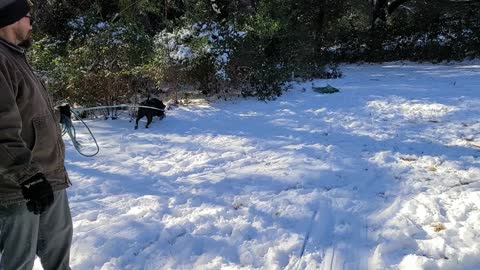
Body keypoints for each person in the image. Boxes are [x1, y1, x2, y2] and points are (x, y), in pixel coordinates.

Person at [0, 0, 73, 269]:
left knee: (59, 262)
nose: (32, 24)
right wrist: (27, 177)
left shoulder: (14, 56)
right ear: (12, 19)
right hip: (20, 188)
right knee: (19, 264)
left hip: (48, 178)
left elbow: (24, 112)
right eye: (29, 17)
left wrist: (55, 113)